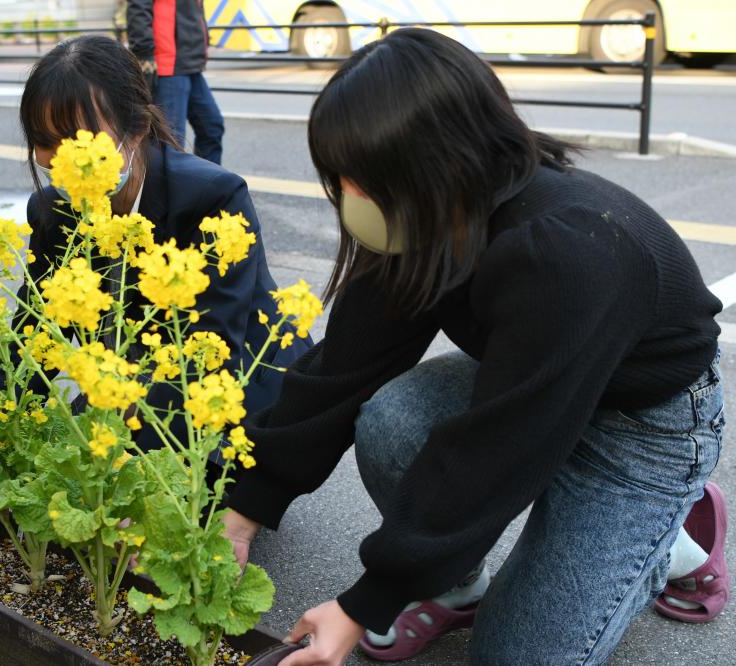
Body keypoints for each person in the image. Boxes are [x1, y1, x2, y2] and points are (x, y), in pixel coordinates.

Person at [221, 28, 728, 666]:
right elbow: (343, 369)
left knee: (518, 657)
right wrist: (245, 506)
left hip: (644, 425)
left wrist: (363, 604)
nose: (349, 194)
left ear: (436, 162)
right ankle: (451, 582)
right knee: (390, 419)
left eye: (360, 177)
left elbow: (497, 452)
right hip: (531, 385)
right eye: (341, 175)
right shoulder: (422, 217)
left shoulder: (567, 250)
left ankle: (680, 538)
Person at [0, 35, 310, 537]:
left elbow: (212, 347)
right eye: (45, 142)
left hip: (242, 378)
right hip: (138, 377)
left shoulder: (213, 197)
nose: (65, 159)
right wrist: (5, 457)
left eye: (81, 139)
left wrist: (141, 479)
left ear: (138, 127)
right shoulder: (54, 211)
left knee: (186, 508)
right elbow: (32, 334)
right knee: (78, 461)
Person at [126, 0, 225, 165]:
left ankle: (206, 184)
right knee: (170, 142)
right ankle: (169, 189)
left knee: (211, 128)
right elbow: (139, 8)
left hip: (190, 63)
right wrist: (144, 54)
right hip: (167, 64)